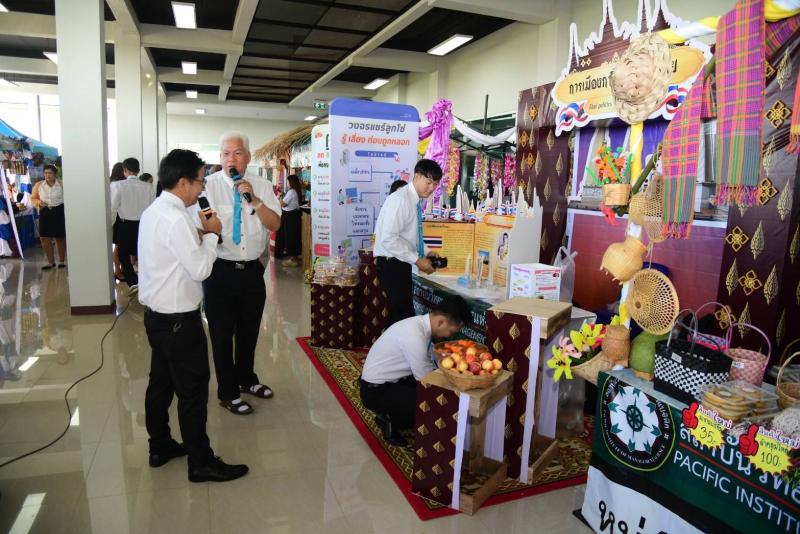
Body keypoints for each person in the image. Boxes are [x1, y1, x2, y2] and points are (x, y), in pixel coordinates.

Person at [138, 148, 248, 483]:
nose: (202, 188)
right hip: (179, 322)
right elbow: (200, 269)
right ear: (183, 181)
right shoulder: (175, 219)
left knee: (160, 385)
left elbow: (175, 249)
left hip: (157, 318)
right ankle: (201, 462)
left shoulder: (156, 211)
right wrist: (212, 234)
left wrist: (199, 234)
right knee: (193, 393)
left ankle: (159, 446)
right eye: (200, 181)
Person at [202, 131, 281, 415]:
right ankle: (228, 392)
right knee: (222, 335)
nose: (231, 160)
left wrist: (255, 200)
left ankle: (247, 379)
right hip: (219, 271)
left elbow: (274, 225)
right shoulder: (207, 187)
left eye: (237, 153)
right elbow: (202, 225)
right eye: (225, 154)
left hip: (252, 272)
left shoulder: (262, 185)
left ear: (247, 157)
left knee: (249, 330)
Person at [360, 295, 470, 446]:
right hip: (375, 392)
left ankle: (394, 415)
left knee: (429, 398)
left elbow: (432, 357)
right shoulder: (415, 335)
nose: (448, 336)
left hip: (389, 382)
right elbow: (426, 379)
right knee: (434, 401)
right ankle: (390, 419)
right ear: (441, 322)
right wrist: (457, 384)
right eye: (450, 332)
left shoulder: (419, 325)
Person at [373, 159, 442, 326]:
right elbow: (389, 239)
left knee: (400, 317)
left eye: (435, 184)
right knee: (401, 319)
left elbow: (410, 236)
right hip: (392, 265)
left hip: (399, 264)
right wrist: (417, 260)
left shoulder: (413, 200)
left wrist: (427, 252)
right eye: (429, 182)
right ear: (417, 176)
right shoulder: (401, 199)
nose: (431, 188)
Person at [110, 157, 155, 294]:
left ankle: (133, 282)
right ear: (138, 170)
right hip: (144, 224)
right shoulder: (148, 186)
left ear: (124, 170)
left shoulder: (117, 186)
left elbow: (112, 208)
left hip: (125, 225)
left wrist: (110, 226)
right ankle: (147, 282)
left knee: (123, 254)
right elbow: (152, 207)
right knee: (143, 253)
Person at [31, 164, 66, 269]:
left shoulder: (61, 184)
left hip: (59, 211)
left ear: (55, 174)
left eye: (50, 173)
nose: (47, 175)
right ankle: (51, 262)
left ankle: (62, 261)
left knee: (60, 237)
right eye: (45, 173)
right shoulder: (39, 185)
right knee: (44, 238)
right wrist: (39, 203)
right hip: (45, 212)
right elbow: (33, 198)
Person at [275, 174, 302, 266]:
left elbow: (283, 204)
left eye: (288, 181)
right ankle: (294, 256)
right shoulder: (296, 191)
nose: (287, 183)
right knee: (293, 236)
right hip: (293, 215)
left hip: (289, 216)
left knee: (290, 236)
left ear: (291, 182)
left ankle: (293, 259)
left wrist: (280, 197)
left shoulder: (291, 192)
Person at [109, 162, 126, 281]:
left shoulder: (112, 183)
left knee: (120, 246)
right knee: (119, 246)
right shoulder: (117, 185)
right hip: (118, 217)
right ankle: (117, 270)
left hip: (117, 217)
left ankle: (121, 269)